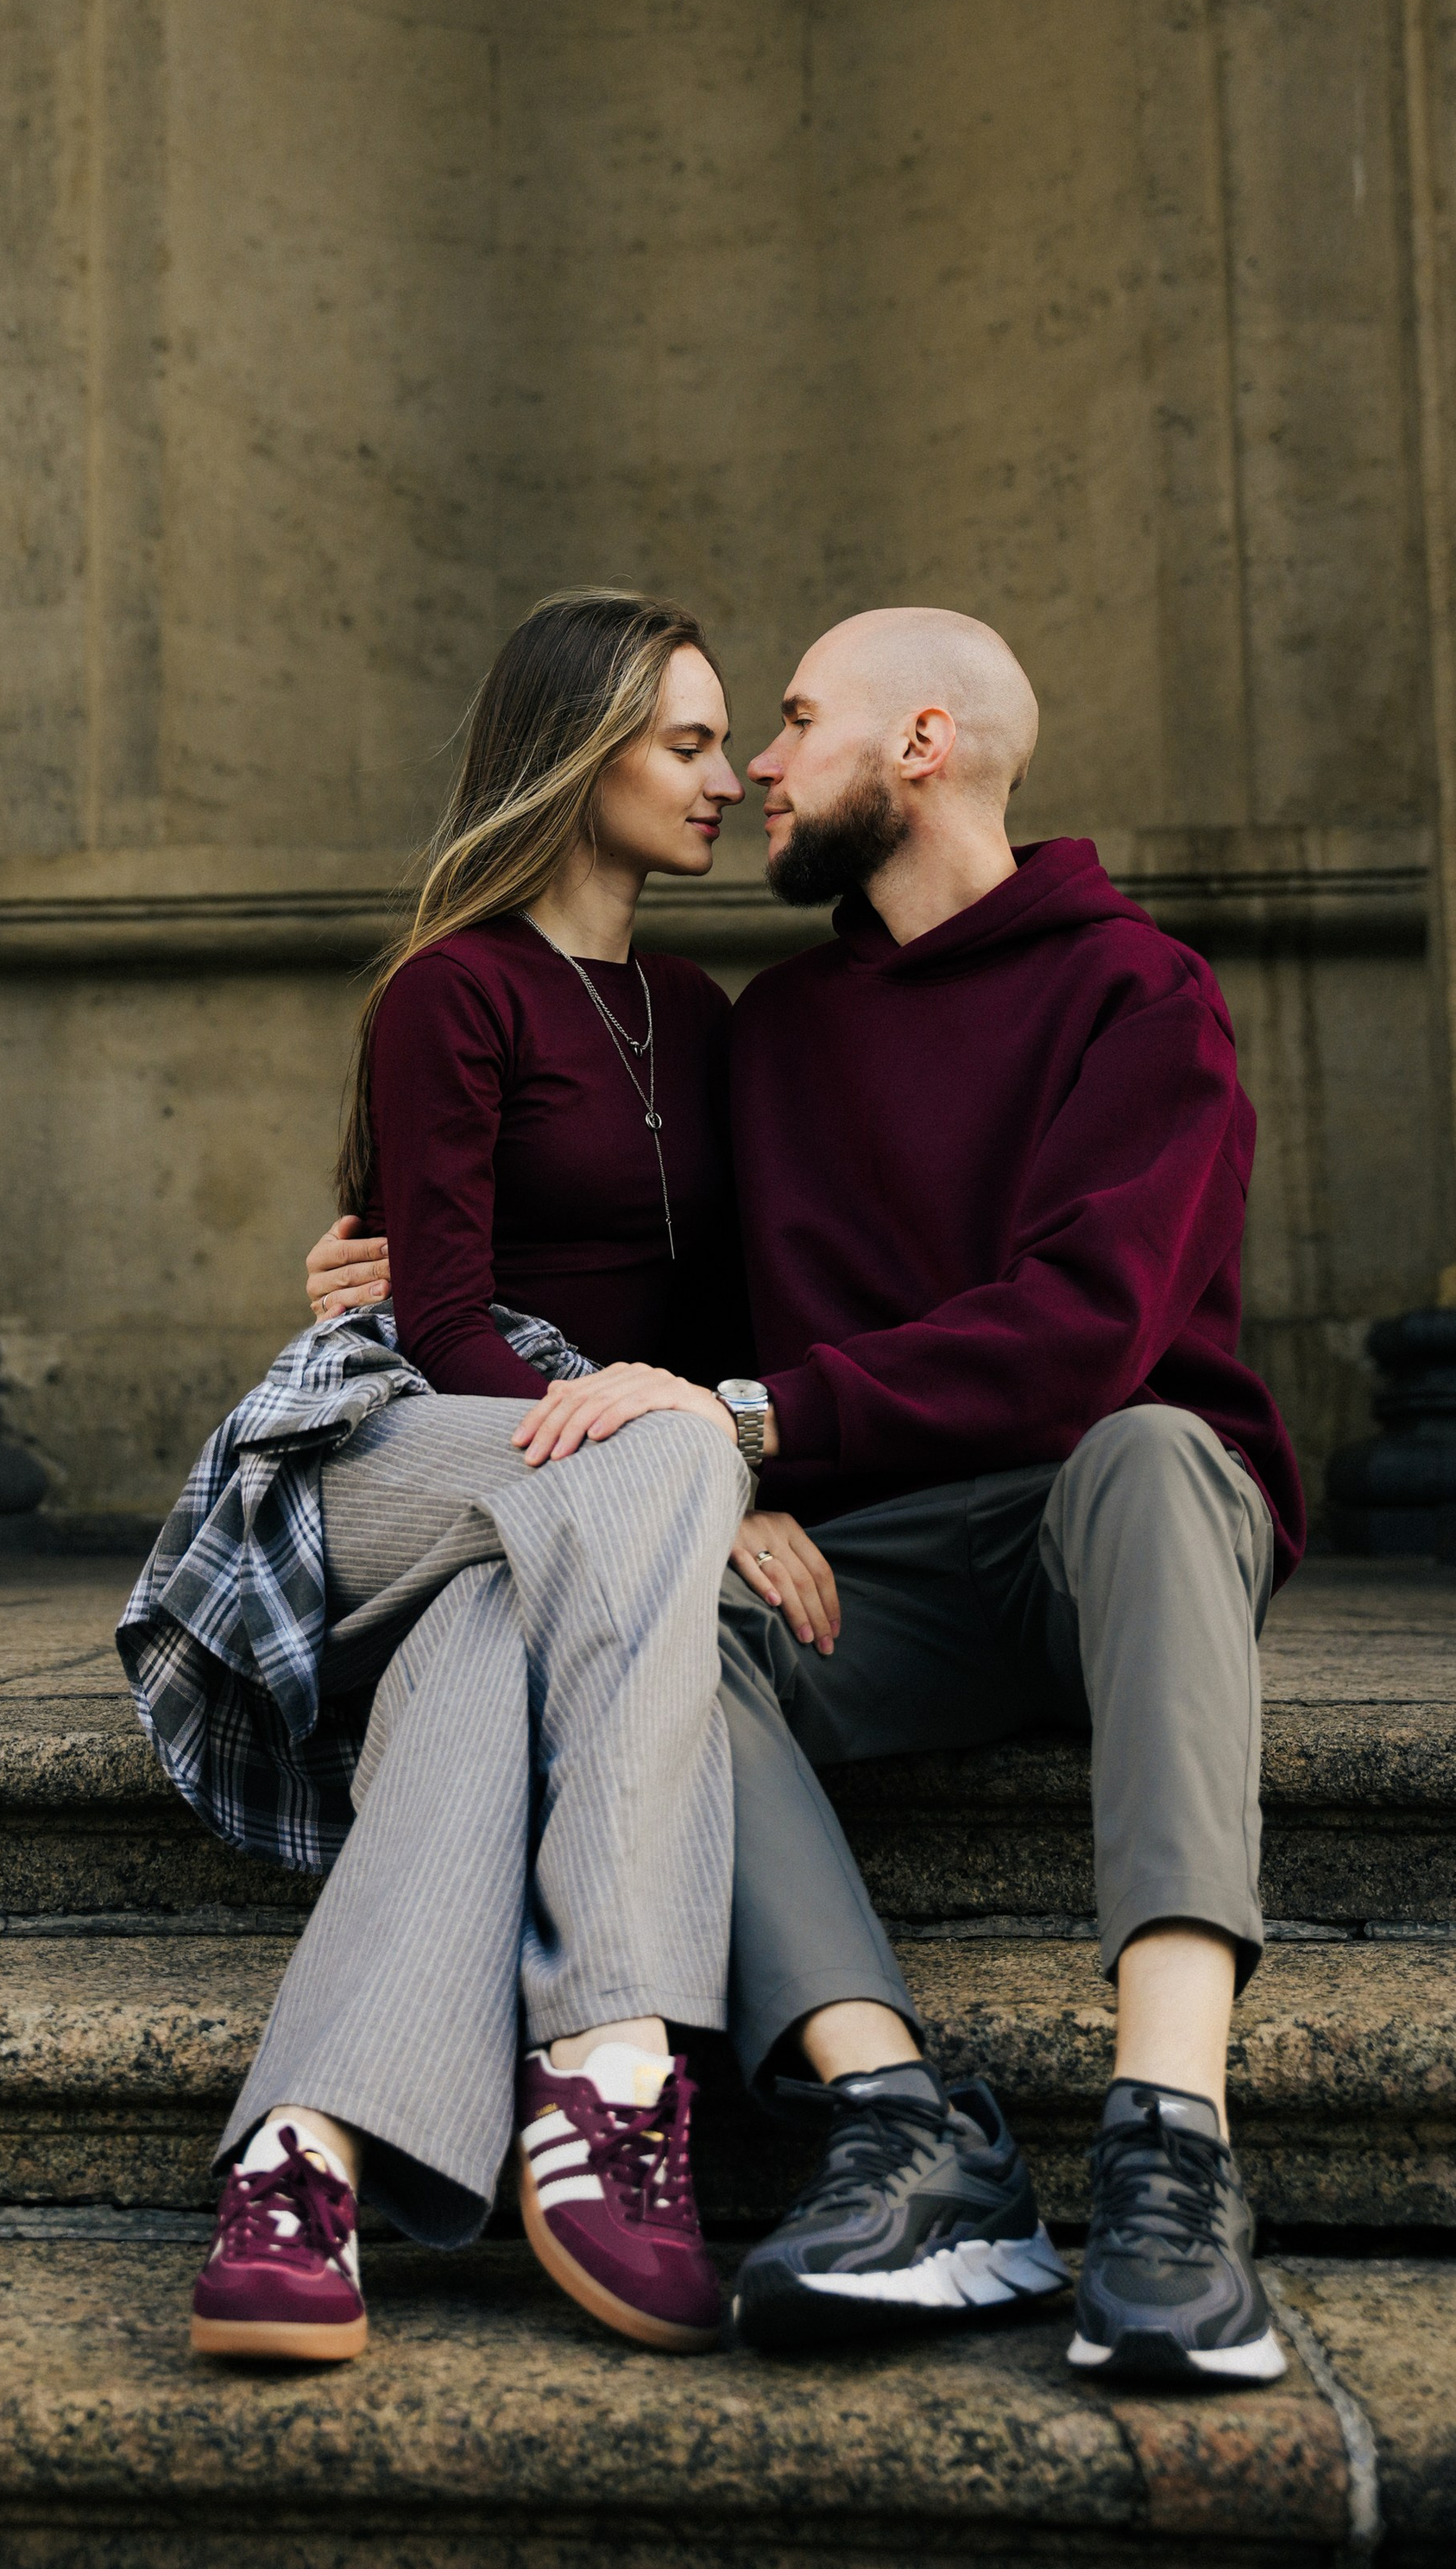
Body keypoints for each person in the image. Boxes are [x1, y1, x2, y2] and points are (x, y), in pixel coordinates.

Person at [307, 606, 1308, 2390]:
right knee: (660, 1600)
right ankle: (910, 2125)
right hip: (874, 1572)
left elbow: (1086, 1334)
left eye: (785, 724)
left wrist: (753, 1422)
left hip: (1105, 1545)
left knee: (1153, 1444)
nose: (754, 767)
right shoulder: (766, 1033)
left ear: (919, 745)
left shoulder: (1133, 994)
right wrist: (387, 1290)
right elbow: (658, 1309)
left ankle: (1170, 2141)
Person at [122, 590, 762, 2366]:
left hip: (571, 1503)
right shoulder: (450, 988)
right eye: (684, 742)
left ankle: (297, 2163)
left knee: (497, 1645)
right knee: (653, 1451)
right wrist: (674, 1436)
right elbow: (450, 1313)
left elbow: (725, 1308)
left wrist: (719, 1460)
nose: (723, 780)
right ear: (579, 752)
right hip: (396, 1445)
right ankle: (611, 2062)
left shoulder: (702, 1015)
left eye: (721, 743)